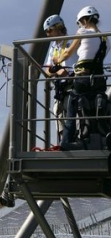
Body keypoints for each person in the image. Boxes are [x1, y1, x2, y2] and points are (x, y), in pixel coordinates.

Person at [52, 6, 110, 150]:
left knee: (72, 109)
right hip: (98, 80)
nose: (79, 25)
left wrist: (57, 61)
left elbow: (67, 54)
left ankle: (66, 142)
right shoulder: (106, 38)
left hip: (82, 79)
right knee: (95, 107)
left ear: (84, 20)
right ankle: (100, 138)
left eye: (79, 22)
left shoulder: (82, 32)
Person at [43, 14, 77, 141]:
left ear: (58, 27)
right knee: (58, 114)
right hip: (60, 87)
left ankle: (75, 140)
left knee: (73, 114)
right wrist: (57, 71)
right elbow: (47, 70)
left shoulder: (72, 42)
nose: (47, 34)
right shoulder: (53, 47)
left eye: (49, 30)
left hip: (73, 85)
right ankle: (64, 142)